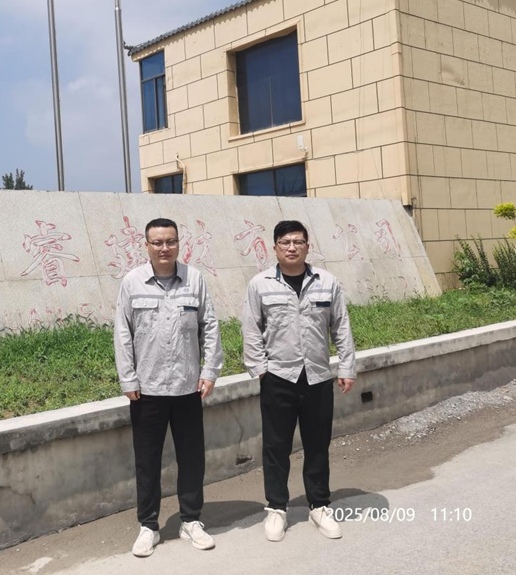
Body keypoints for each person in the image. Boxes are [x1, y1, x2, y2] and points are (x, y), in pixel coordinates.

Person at [114, 217, 223, 557]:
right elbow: (122, 332)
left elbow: (210, 325)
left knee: (192, 458)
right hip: (146, 389)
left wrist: (210, 371)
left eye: (171, 241)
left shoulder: (195, 279)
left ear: (179, 243)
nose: (165, 248)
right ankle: (148, 526)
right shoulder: (132, 282)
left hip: (188, 386)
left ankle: (191, 520)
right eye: (158, 242)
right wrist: (128, 377)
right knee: (147, 461)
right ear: (146, 246)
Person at [241, 220, 356, 542]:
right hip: (278, 377)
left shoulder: (327, 282)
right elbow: (251, 328)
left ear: (307, 246)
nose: (292, 247)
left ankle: (319, 505)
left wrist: (347, 367)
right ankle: (277, 508)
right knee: (276, 447)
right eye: (285, 242)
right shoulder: (260, 284)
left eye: (298, 242)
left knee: (318, 444)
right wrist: (260, 369)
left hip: (317, 377)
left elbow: (341, 326)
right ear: (275, 247)